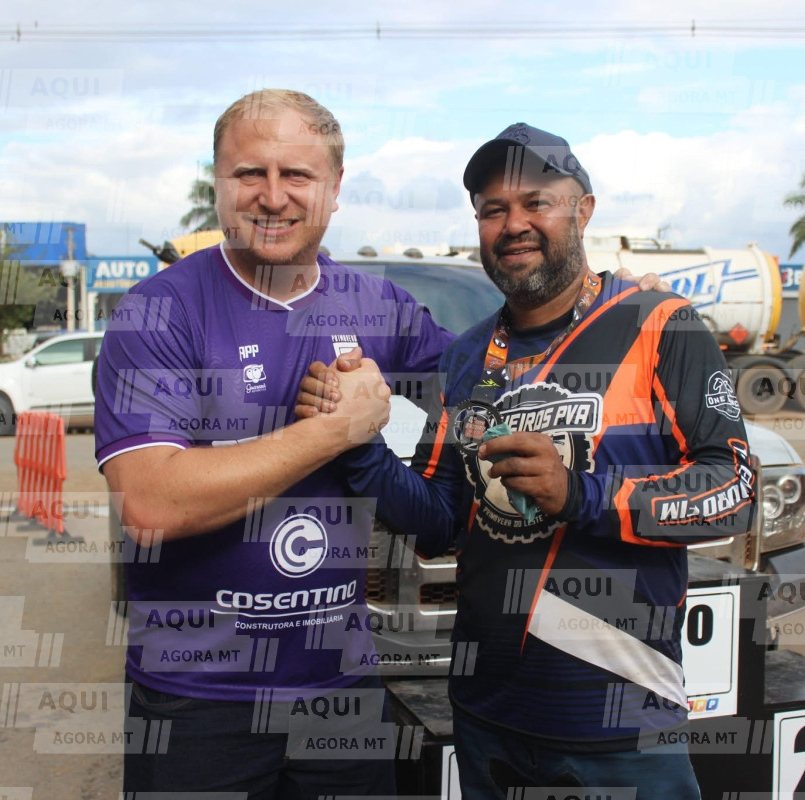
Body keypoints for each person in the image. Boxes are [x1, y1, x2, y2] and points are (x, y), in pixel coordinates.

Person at [94, 92, 666, 797]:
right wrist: (336, 430)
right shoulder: (160, 311)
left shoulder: (376, 306)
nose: (272, 196)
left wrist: (604, 307)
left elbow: (502, 374)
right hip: (196, 700)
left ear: (333, 189)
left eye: (296, 175)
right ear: (218, 183)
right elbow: (152, 503)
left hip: (341, 692)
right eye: (249, 174)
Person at [296, 123, 756, 800]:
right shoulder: (467, 356)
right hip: (489, 715)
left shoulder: (662, 324)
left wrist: (581, 493)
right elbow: (438, 522)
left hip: (621, 723)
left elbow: (734, 488)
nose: (513, 224)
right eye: (493, 210)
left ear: (583, 210)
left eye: (536, 202)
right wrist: (355, 444)